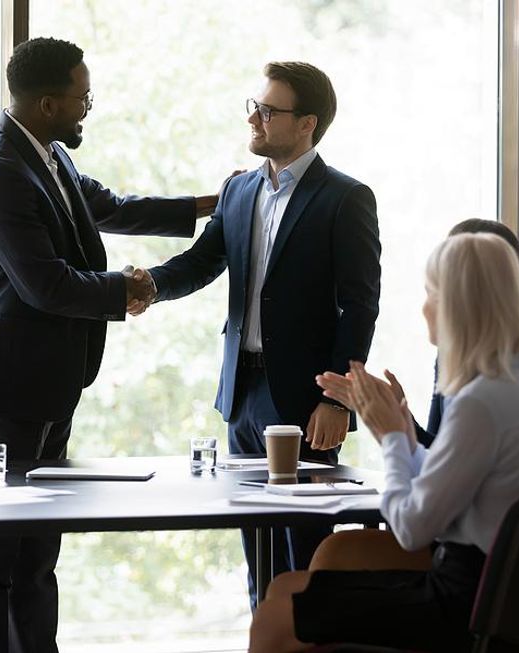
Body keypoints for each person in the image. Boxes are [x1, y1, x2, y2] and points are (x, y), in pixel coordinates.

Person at [0, 36, 220, 653]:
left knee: (39, 544)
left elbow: (113, 208)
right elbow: (43, 284)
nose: (87, 108)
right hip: (10, 381)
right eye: (82, 98)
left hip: (53, 377)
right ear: (48, 103)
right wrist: (127, 288)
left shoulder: (46, 153)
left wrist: (211, 203)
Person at [135, 61, 381, 606]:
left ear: (306, 124)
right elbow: (202, 261)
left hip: (305, 401)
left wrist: (335, 397)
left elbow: (360, 305)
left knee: (306, 556)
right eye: (255, 105)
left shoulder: (346, 198)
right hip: (242, 396)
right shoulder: (239, 190)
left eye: (269, 111)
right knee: (258, 553)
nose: (254, 118)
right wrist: (149, 285)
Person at [249, 233, 519, 652]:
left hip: (465, 605)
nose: (425, 306)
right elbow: (454, 481)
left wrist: (393, 438)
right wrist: (400, 430)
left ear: (460, 304)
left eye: (432, 293)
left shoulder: (480, 402)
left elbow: (411, 527)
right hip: (510, 597)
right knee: (287, 586)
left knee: (275, 616)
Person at [318, 218, 519, 447]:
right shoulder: (509, 363)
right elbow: (442, 453)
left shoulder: (489, 394)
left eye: (440, 289)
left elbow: (433, 482)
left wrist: (392, 431)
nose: (427, 307)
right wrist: (399, 417)